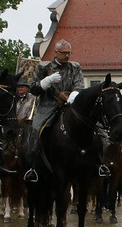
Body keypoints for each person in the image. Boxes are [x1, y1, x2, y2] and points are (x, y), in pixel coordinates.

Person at [24, 39, 84, 183]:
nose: (67, 56)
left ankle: (96, 163)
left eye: (69, 53)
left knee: (93, 127)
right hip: (47, 106)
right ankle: (32, 165)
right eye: (64, 53)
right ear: (56, 52)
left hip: (70, 104)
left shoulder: (74, 67)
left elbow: (79, 83)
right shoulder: (44, 67)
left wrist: (75, 93)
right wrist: (46, 82)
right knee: (36, 128)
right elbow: (33, 88)